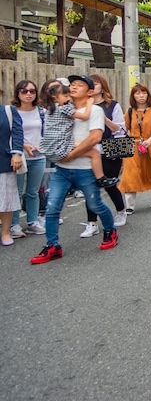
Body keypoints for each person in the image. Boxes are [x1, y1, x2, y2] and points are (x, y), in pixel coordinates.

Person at [31, 74, 118, 264]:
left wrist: (71, 154)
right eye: (72, 84)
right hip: (62, 169)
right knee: (53, 208)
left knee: (95, 205)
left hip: (84, 168)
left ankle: (110, 231)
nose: (73, 87)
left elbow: (94, 138)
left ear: (90, 91)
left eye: (79, 85)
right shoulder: (59, 108)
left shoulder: (94, 110)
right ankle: (52, 245)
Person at [38, 82, 119, 190]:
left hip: (50, 146)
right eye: (65, 96)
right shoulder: (64, 108)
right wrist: (90, 103)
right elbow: (85, 116)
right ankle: (101, 178)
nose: (68, 98)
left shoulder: (50, 109)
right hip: (61, 145)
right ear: (55, 97)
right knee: (94, 152)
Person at [80, 74, 129, 238]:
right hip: (88, 150)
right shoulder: (81, 106)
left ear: (103, 86)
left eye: (96, 84)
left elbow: (120, 130)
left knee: (110, 184)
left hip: (108, 150)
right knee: (90, 186)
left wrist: (103, 117)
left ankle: (121, 210)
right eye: (90, 84)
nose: (93, 87)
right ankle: (92, 223)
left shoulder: (112, 106)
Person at [120, 84, 151, 212]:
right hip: (134, 146)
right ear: (133, 96)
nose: (141, 96)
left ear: (148, 95)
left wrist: (149, 141)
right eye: (137, 93)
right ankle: (129, 205)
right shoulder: (129, 111)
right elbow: (124, 129)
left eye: (143, 93)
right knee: (130, 174)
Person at [11, 79, 47, 237]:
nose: (28, 94)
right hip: (18, 156)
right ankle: (13, 224)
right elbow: (9, 134)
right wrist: (24, 146)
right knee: (16, 191)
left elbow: (48, 132)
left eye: (32, 91)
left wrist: (41, 145)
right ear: (18, 93)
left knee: (33, 191)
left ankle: (33, 221)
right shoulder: (12, 111)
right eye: (24, 91)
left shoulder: (41, 111)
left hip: (38, 156)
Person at [0, 97, 25, 246]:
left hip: (3, 160)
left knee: (5, 199)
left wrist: (16, 154)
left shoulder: (8, 111)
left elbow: (17, 133)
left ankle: (5, 232)